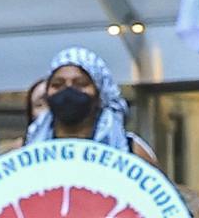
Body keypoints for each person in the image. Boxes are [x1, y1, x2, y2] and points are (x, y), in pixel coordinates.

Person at [24, 45, 159, 166]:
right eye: (57, 85)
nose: (68, 90)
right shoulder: (23, 150)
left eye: (81, 84)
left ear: (100, 94)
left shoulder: (132, 151)